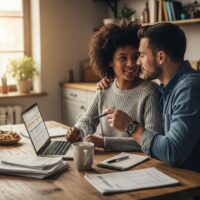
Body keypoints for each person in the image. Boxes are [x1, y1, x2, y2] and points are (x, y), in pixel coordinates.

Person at [98, 22, 200, 172]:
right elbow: (161, 140)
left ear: (160, 57)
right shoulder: (168, 89)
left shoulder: (189, 89)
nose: (138, 62)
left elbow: (172, 152)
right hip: (175, 174)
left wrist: (130, 126)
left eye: (141, 55)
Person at [66, 23, 163, 152]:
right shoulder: (105, 88)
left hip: (141, 165)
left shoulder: (150, 91)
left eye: (135, 56)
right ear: (109, 61)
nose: (131, 63)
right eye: (123, 58)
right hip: (110, 162)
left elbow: (152, 141)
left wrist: (105, 142)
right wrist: (77, 130)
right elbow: (88, 120)